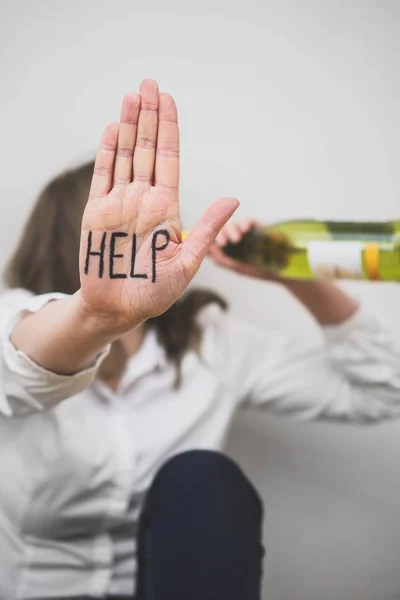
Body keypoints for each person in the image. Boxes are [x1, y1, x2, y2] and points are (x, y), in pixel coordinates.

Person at [1, 78, 400, 600]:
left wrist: (294, 274)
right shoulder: (18, 316)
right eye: (122, 232)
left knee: (200, 478)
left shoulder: (212, 344)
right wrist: (96, 316)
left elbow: (384, 385)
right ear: (74, 242)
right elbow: (21, 366)